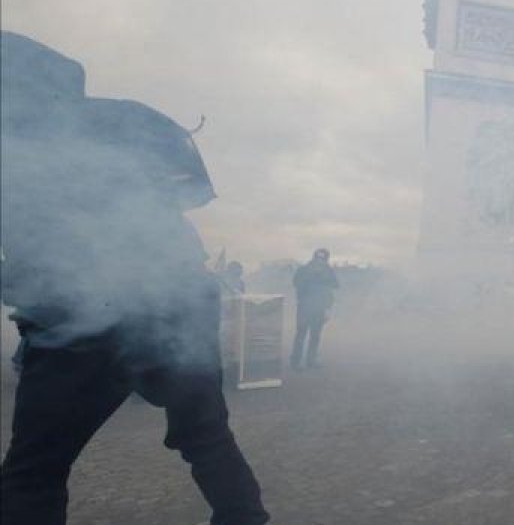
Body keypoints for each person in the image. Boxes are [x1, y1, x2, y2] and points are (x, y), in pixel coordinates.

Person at [0, 32, 269, 525]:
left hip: (80, 317)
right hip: (175, 302)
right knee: (206, 438)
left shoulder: (16, 144)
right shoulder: (127, 119)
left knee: (33, 472)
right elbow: (186, 199)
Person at [290, 248, 338, 370]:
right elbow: (296, 284)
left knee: (314, 336)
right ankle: (296, 362)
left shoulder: (327, 271)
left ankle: (309, 361)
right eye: (318, 258)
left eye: (322, 258)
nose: (320, 260)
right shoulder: (305, 270)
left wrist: (327, 308)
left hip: (318, 308)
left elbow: (334, 286)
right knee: (302, 335)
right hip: (306, 307)